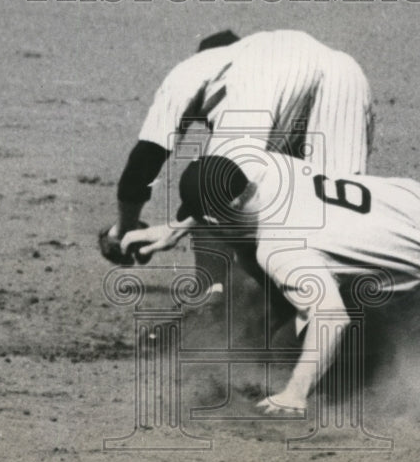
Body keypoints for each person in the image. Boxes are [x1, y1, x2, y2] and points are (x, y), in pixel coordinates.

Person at [120, 152, 420, 415]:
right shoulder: (264, 166)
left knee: (286, 353)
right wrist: (173, 228)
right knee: (327, 257)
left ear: (215, 215)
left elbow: (331, 319)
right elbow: (220, 198)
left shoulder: (280, 249)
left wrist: (295, 393)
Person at [98, 29, 375, 294]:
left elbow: (146, 157)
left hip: (267, 74)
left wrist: (122, 230)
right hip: (347, 74)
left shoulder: (197, 68)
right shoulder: (264, 53)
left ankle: (213, 298)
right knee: (337, 204)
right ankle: (364, 305)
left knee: (210, 180)